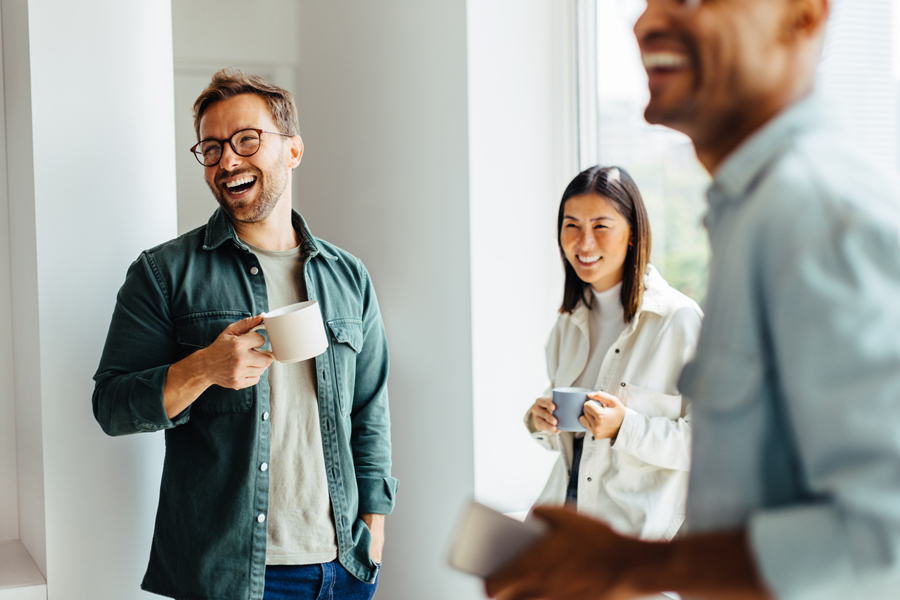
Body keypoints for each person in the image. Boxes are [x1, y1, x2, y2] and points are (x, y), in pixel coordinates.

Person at [486, 0, 900, 598]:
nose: (644, 23)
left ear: (804, 14)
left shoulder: (818, 220)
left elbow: (883, 540)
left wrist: (634, 567)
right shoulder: (751, 216)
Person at [93, 69, 397, 600]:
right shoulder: (164, 274)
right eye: (211, 149)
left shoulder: (349, 278)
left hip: (343, 568)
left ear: (293, 150)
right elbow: (112, 406)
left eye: (246, 140)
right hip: (226, 577)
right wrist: (205, 368)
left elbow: (368, 412)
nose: (227, 160)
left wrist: (372, 536)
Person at [526, 165, 702, 551]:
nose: (584, 243)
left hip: (634, 546)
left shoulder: (678, 321)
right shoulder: (568, 325)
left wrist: (626, 427)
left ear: (633, 234)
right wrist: (541, 421)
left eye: (601, 226)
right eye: (571, 226)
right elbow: (575, 448)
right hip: (564, 533)